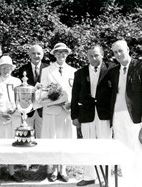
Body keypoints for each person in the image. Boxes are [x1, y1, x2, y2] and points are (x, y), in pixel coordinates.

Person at [108, 39, 142, 187]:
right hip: (117, 116)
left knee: (137, 150)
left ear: (128, 49)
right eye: (115, 52)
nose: (119, 54)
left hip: (135, 116)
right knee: (123, 149)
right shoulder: (113, 71)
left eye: (121, 50)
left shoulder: (140, 65)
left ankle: (139, 183)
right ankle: (127, 182)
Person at [71, 45, 114, 186]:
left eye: (96, 55)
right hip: (86, 114)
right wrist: (74, 116)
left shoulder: (112, 69)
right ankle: (90, 176)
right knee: (88, 145)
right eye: (91, 56)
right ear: (87, 56)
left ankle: (105, 177)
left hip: (104, 114)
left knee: (105, 144)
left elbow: (128, 67)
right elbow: (74, 95)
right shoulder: (80, 73)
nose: (94, 58)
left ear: (102, 54)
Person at [40, 42, 76, 183]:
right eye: (59, 52)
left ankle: (63, 169)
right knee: (53, 140)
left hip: (67, 112)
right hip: (52, 111)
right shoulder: (46, 71)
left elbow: (75, 92)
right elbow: (42, 93)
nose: (62, 55)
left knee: (65, 140)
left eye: (64, 52)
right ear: (54, 54)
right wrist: (56, 101)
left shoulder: (73, 71)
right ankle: (53, 169)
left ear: (67, 54)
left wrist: (70, 104)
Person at [0, 56, 24, 185]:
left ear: (12, 68)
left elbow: (21, 99)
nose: (5, 70)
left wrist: (15, 109)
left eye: (8, 67)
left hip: (13, 118)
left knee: (11, 143)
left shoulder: (17, 81)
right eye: (3, 67)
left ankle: (11, 171)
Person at [18, 44, 48, 138]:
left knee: (43, 137)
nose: (36, 56)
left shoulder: (48, 69)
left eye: (38, 53)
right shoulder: (22, 69)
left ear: (42, 55)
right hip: (27, 109)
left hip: (43, 109)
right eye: (33, 53)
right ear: (29, 55)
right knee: (27, 137)